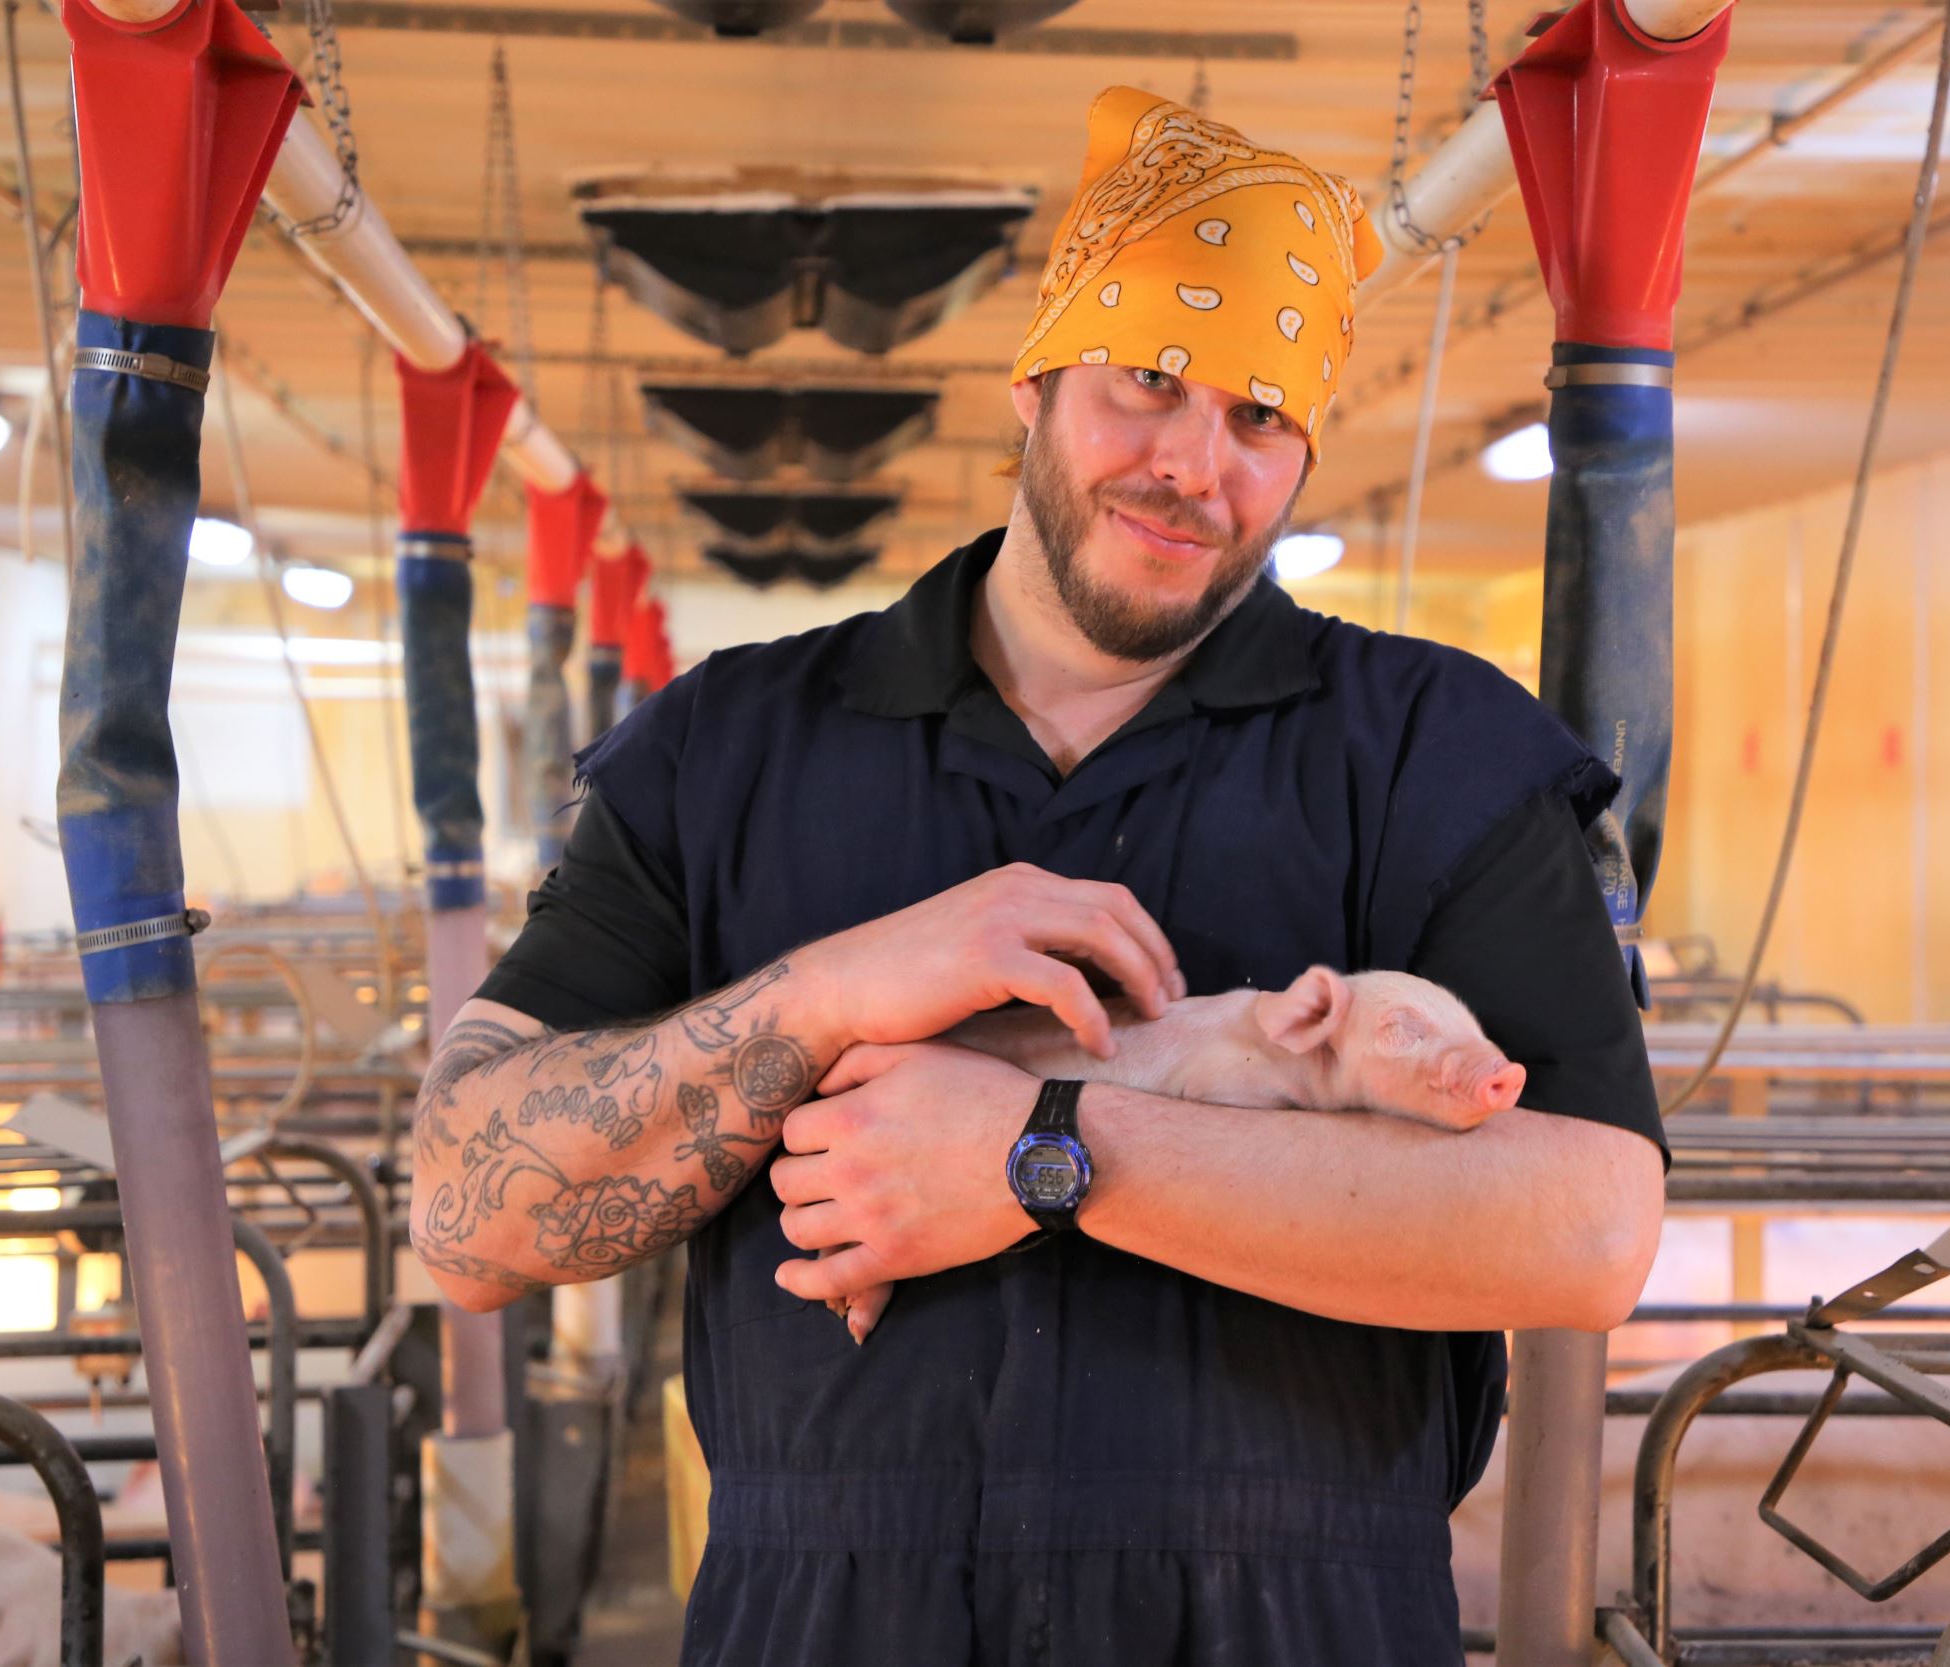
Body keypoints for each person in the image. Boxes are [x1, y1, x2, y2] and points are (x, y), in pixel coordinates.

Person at [412, 85, 1664, 1667]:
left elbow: (1590, 1231)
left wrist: (1043, 1150)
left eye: (1260, 418)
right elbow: (464, 1216)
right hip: (824, 1626)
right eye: (1149, 381)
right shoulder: (727, 750)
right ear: (1036, 374)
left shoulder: (1435, 753)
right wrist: (834, 990)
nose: (1193, 468)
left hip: (1301, 1626)